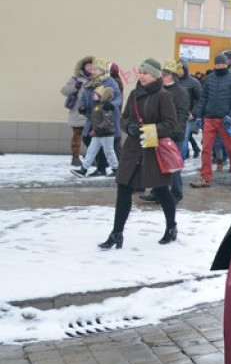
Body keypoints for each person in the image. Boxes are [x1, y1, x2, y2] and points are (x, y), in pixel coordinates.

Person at [98, 59, 177, 250]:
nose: (141, 76)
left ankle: (171, 227)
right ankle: (116, 233)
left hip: (153, 150)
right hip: (133, 149)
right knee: (123, 188)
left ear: (156, 75)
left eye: (145, 73)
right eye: (140, 72)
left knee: (161, 190)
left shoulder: (163, 96)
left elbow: (170, 123)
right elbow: (124, 118)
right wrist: (130, 127)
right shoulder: (134, 94)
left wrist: (148, 131)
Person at [139, 61, 189, 204]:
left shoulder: (181, 92)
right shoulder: (158, 90)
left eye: (166, 75)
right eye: (162, 74)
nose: (163, 77)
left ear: (173, 76)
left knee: (172, 164)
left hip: (172, 133)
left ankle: (176, 193)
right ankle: (157, 192)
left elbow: (182, 114)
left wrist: (174, 131)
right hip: (154, 130)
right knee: (155, 164)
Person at [192, 53, 231, 187]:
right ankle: (205, 177)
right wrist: (198, 115)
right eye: (218, 64)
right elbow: (203, 99)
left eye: (223, 64)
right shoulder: (208, 79)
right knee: (206, 149)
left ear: (227, 64)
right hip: (209, 118)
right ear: (214, 65)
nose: (220, 66)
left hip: (225, 119)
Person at [79, 58, 123, 177]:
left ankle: (116, 169)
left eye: (95, 69)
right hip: (93, 117)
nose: (92, 71)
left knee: (111, 146)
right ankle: (102, 167)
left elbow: (119, 97)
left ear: (102, 71)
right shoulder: (90, 82)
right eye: (92, 69)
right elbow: (84, 96)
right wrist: (82, 106)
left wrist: (111, 105)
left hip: (106, 118)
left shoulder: (110, 82)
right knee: (88, 140)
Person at [71, 86, 120, 178]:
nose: (93, 95)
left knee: (109, 151)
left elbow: (107, 122)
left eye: (96, 94)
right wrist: (84, 112)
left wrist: (96, 130)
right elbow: (94, 118)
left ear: (102, 95)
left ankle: (116, 169)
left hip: (106, 134)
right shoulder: (97, 106)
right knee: (91, 151)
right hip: (99, 134)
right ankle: (84, 169)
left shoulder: (106, 106)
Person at [61, 56, 93, 167]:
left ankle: (91, 158)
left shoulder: (96, 80)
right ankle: (75, 157)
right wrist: (75, 86)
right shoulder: (75, 79)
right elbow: (64, 91)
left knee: (91, 137)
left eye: (92, 65)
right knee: (77, 136)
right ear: (83, 67)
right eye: (88, 65)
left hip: (91, 113)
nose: (90, 67)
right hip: (77, 112)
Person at [177, 60, 203, 159]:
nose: (179, 71)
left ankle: (181, 162)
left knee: (184, 139)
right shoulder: (173, 81)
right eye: (177, 69)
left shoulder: (193, 82)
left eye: (181, 69)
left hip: (187, 116)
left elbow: (201, 99)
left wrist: (194, 112)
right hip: (173, 114)